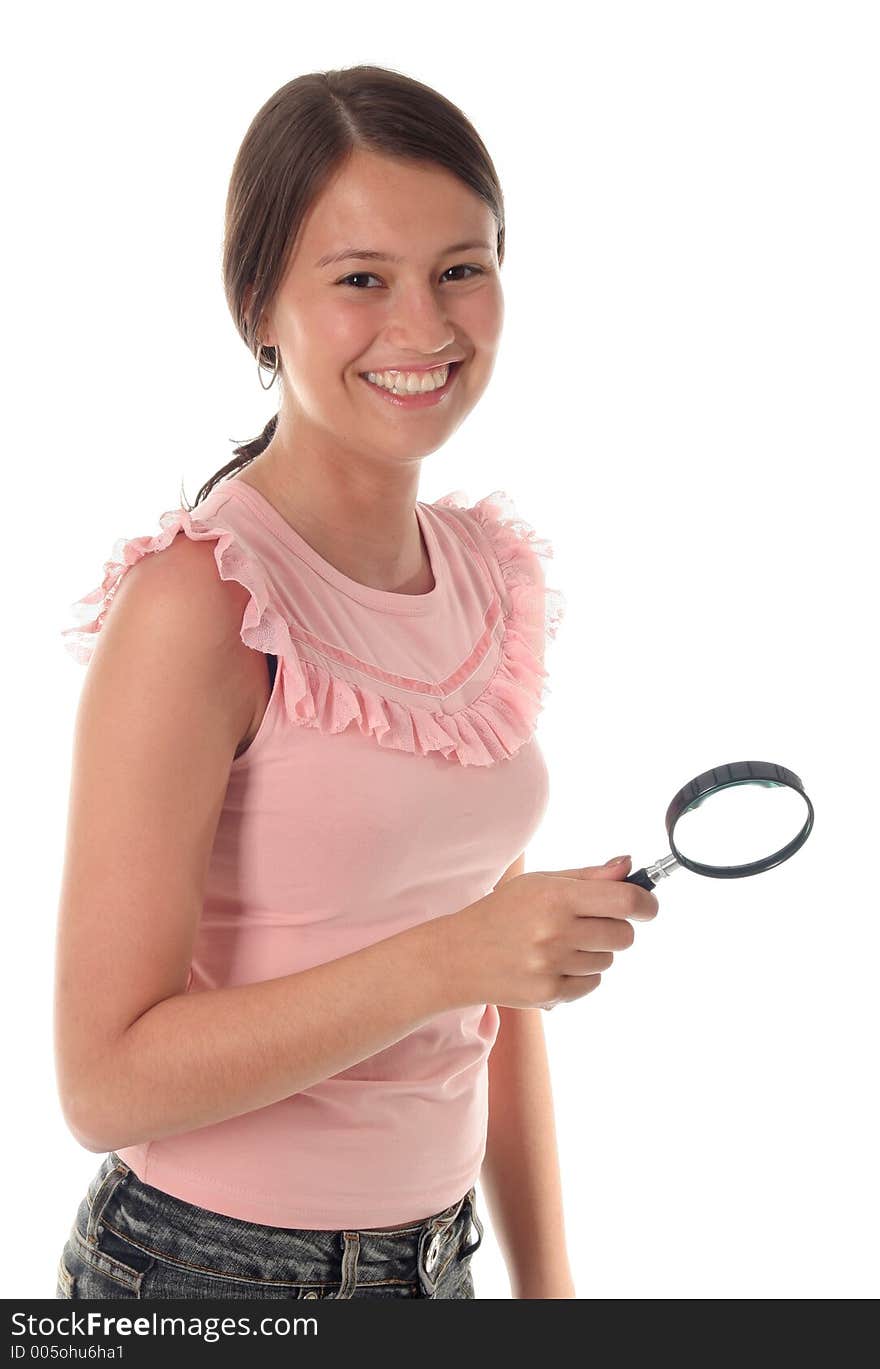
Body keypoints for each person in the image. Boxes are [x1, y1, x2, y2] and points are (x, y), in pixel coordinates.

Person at [53, 64, 658, 1301]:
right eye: (359, 280)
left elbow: (492, 1003)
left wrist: (551, 1296)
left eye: (461, 267)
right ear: (257, 303)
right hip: (208, 1280)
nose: (424, 328)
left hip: (439, 1268)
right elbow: (101, 1080)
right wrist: (452, 955)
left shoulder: (485, 578)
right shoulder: (199, 604)